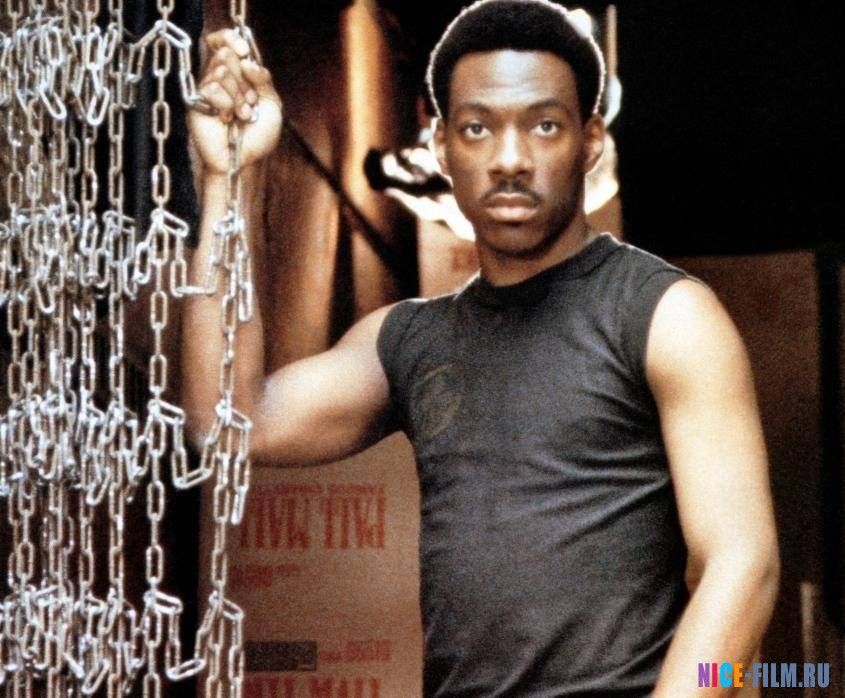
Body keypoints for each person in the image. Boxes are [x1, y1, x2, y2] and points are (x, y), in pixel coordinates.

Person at [183, 0, 779, 695]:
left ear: (589, 141)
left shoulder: (666, 315)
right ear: (442, 146)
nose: (509, 160)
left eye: (544, 125)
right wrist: (231, 176)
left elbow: (743, 568)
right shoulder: (411, 339)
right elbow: (228, 422)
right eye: (477, 128)